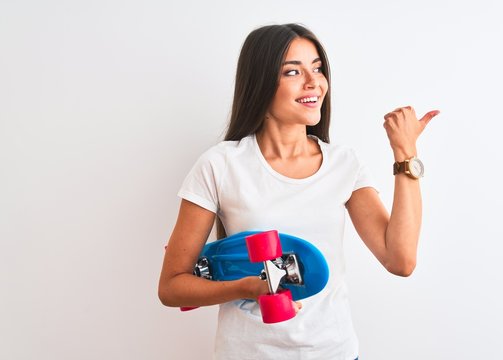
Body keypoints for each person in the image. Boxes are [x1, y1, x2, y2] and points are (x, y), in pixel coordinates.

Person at [158, 23, 439, 360]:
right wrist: (248, 287)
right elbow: (172, 286)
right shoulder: (220, 164)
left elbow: (401, 260)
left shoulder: (343, 163)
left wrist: (405, 153)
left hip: (333, 351)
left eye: (318, 68)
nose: (314, 82)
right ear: (261, 82)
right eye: (293, 71)